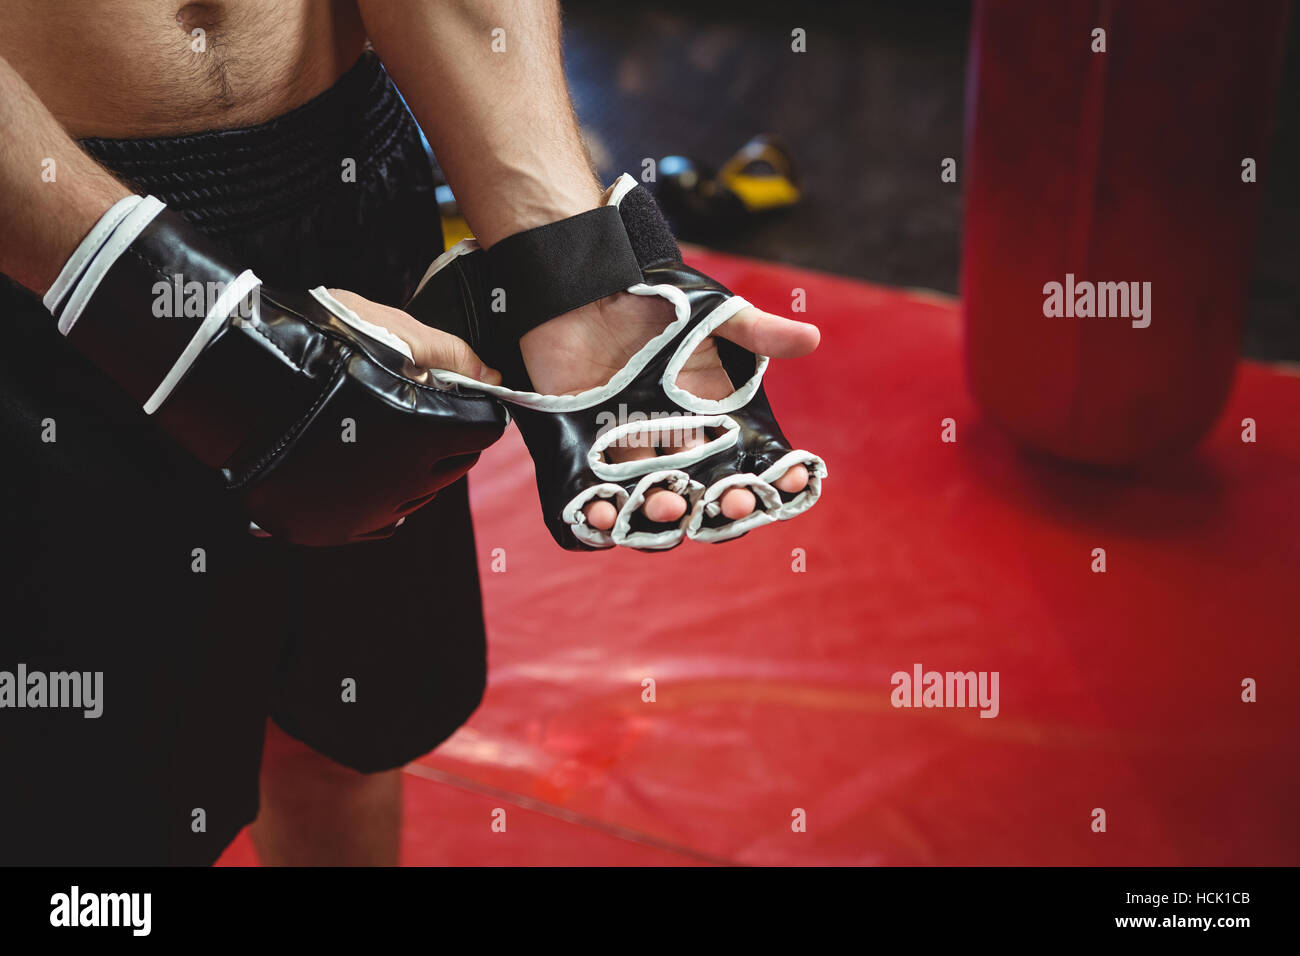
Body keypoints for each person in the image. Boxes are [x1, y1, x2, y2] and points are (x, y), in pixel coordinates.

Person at [0, 0, 819, 865]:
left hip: (345, 192)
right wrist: (142, 293)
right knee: (82, 832)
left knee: (345, 729)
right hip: (37, 242)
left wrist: (570, 264)